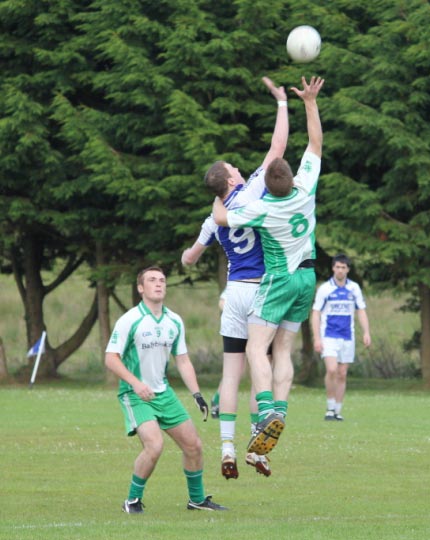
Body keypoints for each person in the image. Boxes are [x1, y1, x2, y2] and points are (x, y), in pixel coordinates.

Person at [181, 76, 288, 479]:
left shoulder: (214, 217)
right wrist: (281, 104)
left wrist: (187, 254)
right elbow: (277, 151)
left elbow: (190, 258)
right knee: (266, 361)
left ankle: (225, 447)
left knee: (231, 373)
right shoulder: (251, 193)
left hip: (233, 295)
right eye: (233, 168)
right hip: (262, 291)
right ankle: (259, 436)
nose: (240, 168)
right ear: (230, 180)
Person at [213, 75, 325, 457]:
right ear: (292, 177)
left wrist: (219, 193)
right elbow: (314, 143)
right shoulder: (306, 187)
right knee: (285, 350)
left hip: (278, 280)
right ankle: (281, 411)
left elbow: (225, 219)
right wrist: (309, 102)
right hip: (309, 277)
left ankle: (265, 414)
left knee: (256, 348)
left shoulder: (260, 208)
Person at [105, 266, 227, 513]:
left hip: (164, 393)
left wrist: (197, 395)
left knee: (194, 446)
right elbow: (110, 358)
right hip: (135, 395)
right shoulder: (130, 319)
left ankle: (197, 500)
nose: (159, 284)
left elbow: (182, 360)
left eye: (162, 280)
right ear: (141, 288)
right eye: (151, 280)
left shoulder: (174, 321)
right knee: (154, 445)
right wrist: (136, 384)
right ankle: (132, 500)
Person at [311, 254, 371, 420]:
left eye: (343, 267)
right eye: (337, 267)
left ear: (348, 270)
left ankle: (338, 410)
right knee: (331, 369)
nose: (340, 270)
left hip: (347, 336)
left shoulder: (354, 288)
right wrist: (317, 338)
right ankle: (329, 408)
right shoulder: (325, 289)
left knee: (342, 373)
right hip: (329, 335)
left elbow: (361, 311)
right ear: (333, 268)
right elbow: (316, 313)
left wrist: (366, 332)